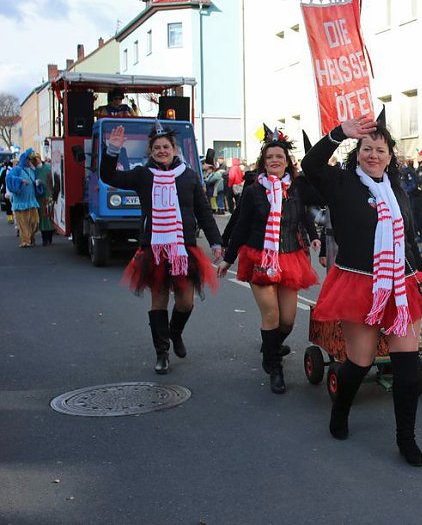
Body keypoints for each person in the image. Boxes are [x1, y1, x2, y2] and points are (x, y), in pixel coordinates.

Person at [301, 111, 422, 467]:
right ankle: (340, 411)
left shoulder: (397, 193)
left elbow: (409, 244)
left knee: (407, 367)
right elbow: (309, 164)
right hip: (359, 284)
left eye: (380, 149)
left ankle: (406, 439)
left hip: (399, 286)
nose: (373, 155)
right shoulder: (341, 184)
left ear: (390, 156)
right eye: (366, 148)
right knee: (359, 363)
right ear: (356, 152)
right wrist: (339, 133)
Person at [101, 122, 223, 374]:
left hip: (183, 248)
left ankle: (174, 332)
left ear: (174, 149)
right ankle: (162, 352)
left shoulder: (188, 176)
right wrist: (112, 151)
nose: (161, 151)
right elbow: (109, 176)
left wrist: (216, 242)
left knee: (185, 302)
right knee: (158, 299)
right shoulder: (142, 174)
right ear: (150, 151)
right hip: (155, 248)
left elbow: (203, 212)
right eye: (156, 148)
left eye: (165, 146)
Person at [217, 136, 321, 393]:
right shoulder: (253, 191)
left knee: (287, 320)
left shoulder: (296, 189)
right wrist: (228, 258)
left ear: (287, 163)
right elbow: (241, 226)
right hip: (260, 257)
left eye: (280, 157)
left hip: (291, 256)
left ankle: (271, 345)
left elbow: (306, 212)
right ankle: (275, 367)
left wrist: (315, 236)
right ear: (263, 162)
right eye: (270, 157)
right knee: (271, 315)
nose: (275, 161)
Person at [5, 149, 42, 248]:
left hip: (31, 201)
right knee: (23, 224)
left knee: (35, 222)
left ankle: (30, 237)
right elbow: (9, 178)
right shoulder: (17, 169)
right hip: (20, 202)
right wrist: (21, 180)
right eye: (30, 160)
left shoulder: (33, 170)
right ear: (25, 159)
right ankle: (25, 241)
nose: (31, 162)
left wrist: (37, 184)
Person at [32, 153, 55, 246]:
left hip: (49, 195)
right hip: (40, 197)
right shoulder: (34, 171)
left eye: (36, 159)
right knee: (42, 217)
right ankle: (44, 238)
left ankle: (49, 237)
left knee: (49, 216)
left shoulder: (48, 167)